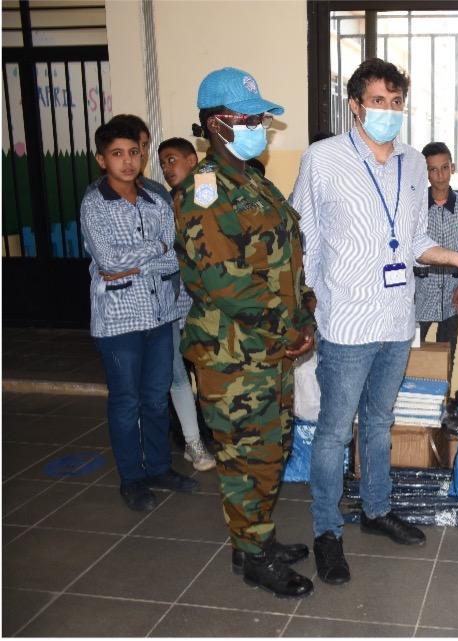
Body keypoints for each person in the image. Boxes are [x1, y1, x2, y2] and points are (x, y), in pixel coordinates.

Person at [290, 58, 458, 586]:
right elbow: (303, 239)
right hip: (344, 321)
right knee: (335, 430)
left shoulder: (412, 161)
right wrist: (304, 307)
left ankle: (377, 509)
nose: (388, 110)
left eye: (396, 101)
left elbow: (415, 239)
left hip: (397, 318)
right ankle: (327, 530)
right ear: (356, 106)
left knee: (380, 421)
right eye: (378, 101)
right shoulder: (323, 159)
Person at [173, 67, 316, 599]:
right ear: (217, 124)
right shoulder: (204, 193)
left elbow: (286, 262)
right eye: (250, 119)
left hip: (269, 348)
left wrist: (305, 316)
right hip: (234, 356)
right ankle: (254, 557)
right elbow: (226, 282)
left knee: (268, 450)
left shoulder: (252, 180)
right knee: (246, 457)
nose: (260, 127)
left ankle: (255, 539)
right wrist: (288, 330)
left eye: (261, 119)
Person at [80, 118, 198, 512]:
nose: (128, 161)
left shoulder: (156, 200)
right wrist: (155, 249)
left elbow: (173, 257)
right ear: (102, 160)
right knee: (126, 401)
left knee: (155, 397)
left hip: (160, 315)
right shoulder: (94, 204)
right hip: (119, 321)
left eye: (134, 152)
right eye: (117, 154)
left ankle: (160, 468)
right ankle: (132, 478)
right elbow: (108, 262)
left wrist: (141, 259)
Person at [157, 137, 214, 472]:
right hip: (174, 304)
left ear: (192, 160)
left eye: (172, 159)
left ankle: (208, 435)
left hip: (200, 303)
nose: (167, 168)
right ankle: (192, 439)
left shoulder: (204, 188)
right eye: (163, 163)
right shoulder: (165, 200)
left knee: (206, 376)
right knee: (179, 375)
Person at [415, 141, 458, 356]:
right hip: (419, 295)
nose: (440, 175)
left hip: (452, 295)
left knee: (447, 356)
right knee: (409, 354)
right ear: (426, 173)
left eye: (445, 168)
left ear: (453, 168)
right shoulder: (415, 205)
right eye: (433, 169)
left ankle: (444, 382)